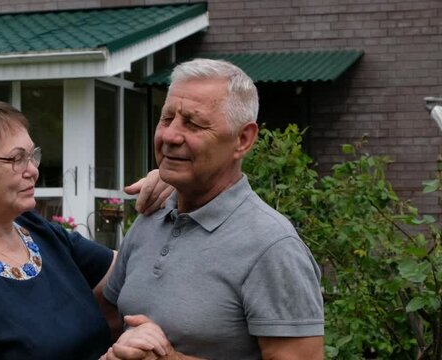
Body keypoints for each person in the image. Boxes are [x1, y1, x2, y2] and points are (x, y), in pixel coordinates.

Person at [0, 97, 172, 360]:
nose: (33, 171)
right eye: (16, 159)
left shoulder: (31, 229)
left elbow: (131, 271)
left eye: (32, 156)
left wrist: (176, 190)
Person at [102, 59, 324, 360]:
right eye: (167, 119)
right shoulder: (151, 217)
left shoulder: (271, 246)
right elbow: (111, 322)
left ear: (242, 140)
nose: (169, 136)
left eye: (193, 124)